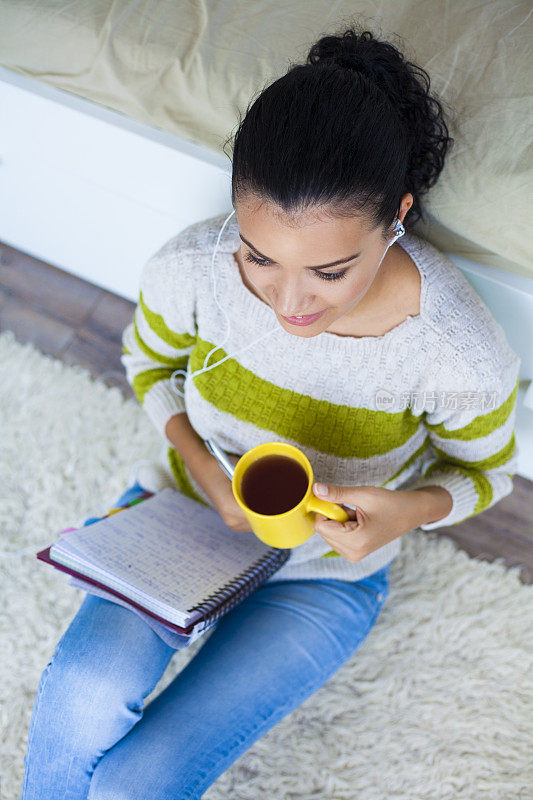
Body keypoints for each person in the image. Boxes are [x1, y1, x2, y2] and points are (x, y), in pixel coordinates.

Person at [20, 25, 520, 800]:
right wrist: (201, 471)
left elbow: (485, 476)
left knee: (135, 785)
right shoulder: (191, 271)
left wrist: (408, 510)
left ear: (396, 217)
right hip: (183, 519)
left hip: (319, 581)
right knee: (83, 690)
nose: (288, 302)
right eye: (259, 256)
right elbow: (148, 365)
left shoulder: (453, 350)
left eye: (328, 271)